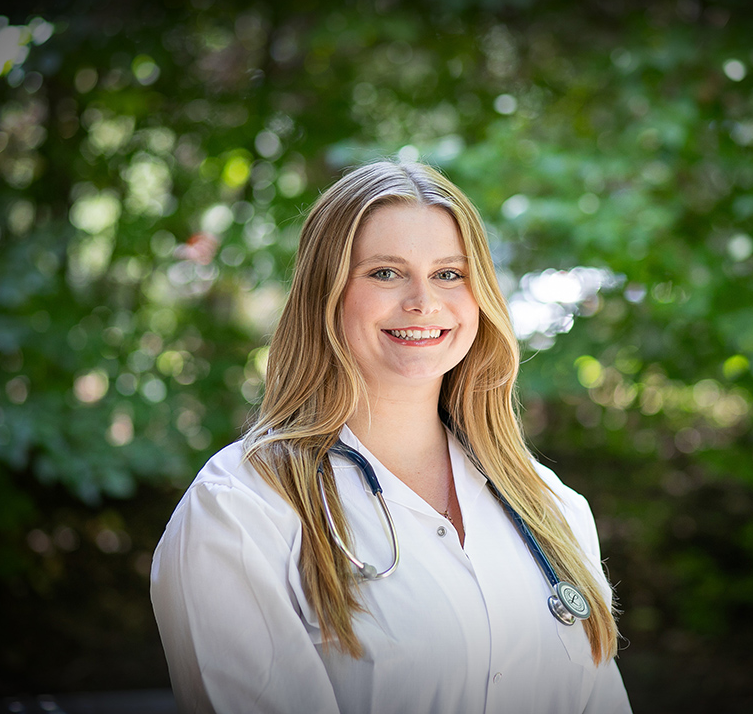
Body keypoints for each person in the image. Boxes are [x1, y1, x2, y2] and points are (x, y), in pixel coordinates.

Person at [150, 160, 632, 713]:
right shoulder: (242, 508)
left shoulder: (550, 506)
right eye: (385, 272)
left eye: (449, 273)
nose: (423, 302)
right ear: (324, 294)